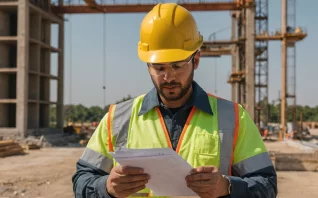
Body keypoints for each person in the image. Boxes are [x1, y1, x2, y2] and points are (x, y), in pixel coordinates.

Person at [72, 3, 277, 198]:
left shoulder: (233, 117)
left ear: (196, 60)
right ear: (147, 65)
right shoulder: (117, 119)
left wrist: (227, 187)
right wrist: (106, 187)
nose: (168, 77)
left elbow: (267, 185)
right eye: (159, 68)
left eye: (178, 66)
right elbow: (82, 180)